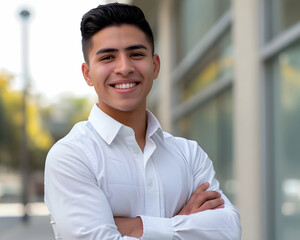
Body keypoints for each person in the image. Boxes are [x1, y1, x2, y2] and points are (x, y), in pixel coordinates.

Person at [44, 2, 242, 240]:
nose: (124, 68)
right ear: (88, 74)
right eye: (107, 57)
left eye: (136, 54)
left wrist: (133, 227)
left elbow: (229, 230)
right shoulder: (71, 156)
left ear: (155, 65)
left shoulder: (189, 155)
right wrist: (184, 222)